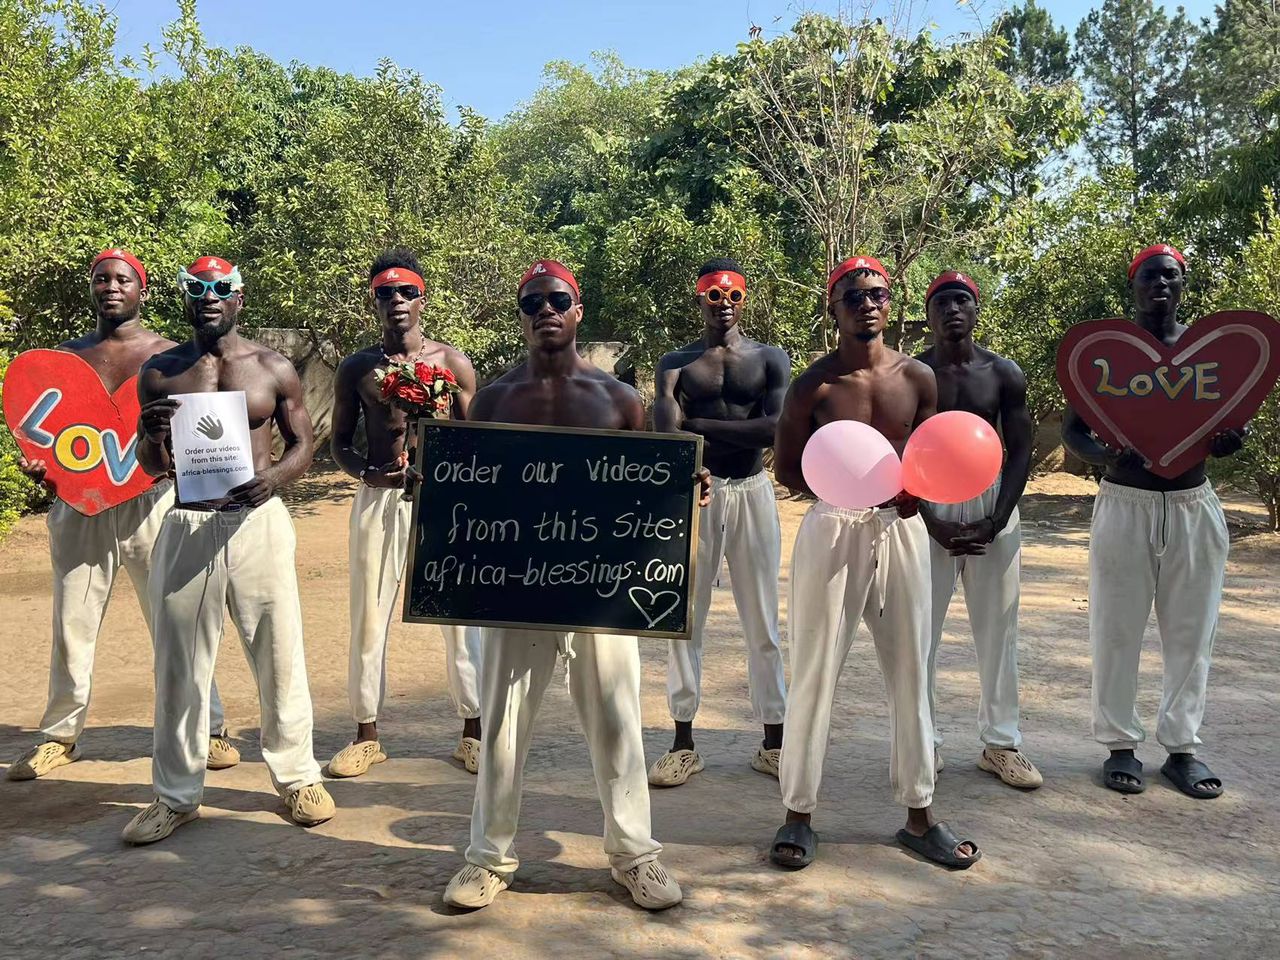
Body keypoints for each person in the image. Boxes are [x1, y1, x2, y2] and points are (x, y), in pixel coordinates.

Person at [443, 259, 707, 911]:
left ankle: (634, 855)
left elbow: (644, 489)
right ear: (522, 315)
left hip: (601, 590)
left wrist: (681, 490)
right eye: (532, 302)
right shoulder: (497, 400)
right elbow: (474, 493)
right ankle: (488, 858)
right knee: (502, 727)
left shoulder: (617, 400)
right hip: (518, 588)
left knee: (617, 719)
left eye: (557, 299)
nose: (546, 311)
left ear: (579, 309)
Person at [769, 256, 981, 871]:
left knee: (912, 670)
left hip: (902, 530)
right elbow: (786, 468)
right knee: (813, 670)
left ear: (891, 305)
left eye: (877, 294)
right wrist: (846, 485)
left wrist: (913, 493)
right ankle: (798, 813)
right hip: (833, 529)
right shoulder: (815, 385)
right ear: (833, 308)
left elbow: (935, 455)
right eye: (853, 295)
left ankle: (920, 816)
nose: (867, 304)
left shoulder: (918, 378)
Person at [121, 256, 333, 844]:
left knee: (278, 648)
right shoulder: (160, 372)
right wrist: (152, 436)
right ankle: (175, 794)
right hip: (187, 521)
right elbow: (152, 466)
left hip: (257, 519)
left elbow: (303, 444)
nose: (208, 297)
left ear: (238, 297)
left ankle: (296, 777)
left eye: (219, 289)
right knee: (178, 662)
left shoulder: (271, 366)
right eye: (197, 289)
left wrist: (276, 480)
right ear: (185, 299)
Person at [7, 248, 238, 781]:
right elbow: (49, 436)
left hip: (151, 499)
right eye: (102, 278)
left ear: (143, 291)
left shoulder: (173, 358)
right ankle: (60, 734)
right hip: (78, 502)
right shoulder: (61, 362)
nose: (111, 286)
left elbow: (202, 434)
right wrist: (43, 470)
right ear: (91, 288)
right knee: (72, 618)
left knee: (176, 617)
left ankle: (210, 724)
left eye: (123, 279)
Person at [1063, 244, 1243, 800]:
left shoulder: (1208, 354)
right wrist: (1105, 456)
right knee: (1116, 627)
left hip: (1193, 504)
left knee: (1193, 630)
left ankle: (1182, 748)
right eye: (1149, 276)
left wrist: (1232, 441)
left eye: (1170, 275)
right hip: (1126, 504)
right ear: (1133, 285)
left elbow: (1231, 418)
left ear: (1184, 283)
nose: (1160, 285)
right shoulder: (1112, 355)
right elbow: (1075, 431)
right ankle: (1120, 744)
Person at [326, 249, 484, 779]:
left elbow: (477, 441)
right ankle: (366, 733)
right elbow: (340, 444)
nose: (396, 301)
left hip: (446, 505)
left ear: (423, 297)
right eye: (385, 293)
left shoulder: (452, 363)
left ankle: (473, 732)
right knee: (369, 613)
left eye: (406, 292)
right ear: (373, 301)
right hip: (379, 499)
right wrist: (367, 474)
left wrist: (447, 470)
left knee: (459, 616)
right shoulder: (357, 368)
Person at [648, 258, 789, 786]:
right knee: (685, 618)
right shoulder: (676, 365)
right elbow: (669, 440)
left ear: (744, 298)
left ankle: (774, 740)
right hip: (696, 496)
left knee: (763, 622)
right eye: (713, 294)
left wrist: (697, 425)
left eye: (732, 294)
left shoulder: (771, 359)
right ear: (700, 299)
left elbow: (772, 429)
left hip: (753, 491)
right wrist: (701, 436)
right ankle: (683, 741)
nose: (723, 302)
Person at [916, 271, 1041, 789]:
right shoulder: (915, 373)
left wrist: (997, 518)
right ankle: (923, 741)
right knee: (920, 631)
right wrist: (929, 517)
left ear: (976, 308)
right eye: (941, 302)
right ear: (928, 314)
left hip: (993, 503)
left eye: (961, 300)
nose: (952, 310)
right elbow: (900, 452)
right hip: (927, 505)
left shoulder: (1002, 372)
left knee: (998, 630)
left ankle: (1002, 743)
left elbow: (1022, 450)